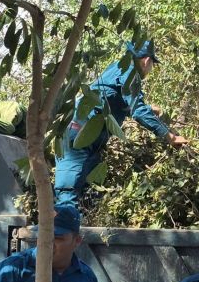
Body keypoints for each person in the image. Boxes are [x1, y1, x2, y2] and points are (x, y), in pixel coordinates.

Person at [53, 39, 187, 203]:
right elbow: (138, 111)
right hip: (78, 135)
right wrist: (170, 136)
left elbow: (116, 100)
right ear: (146, 61)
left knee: (86, 192)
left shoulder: (118, 68)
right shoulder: (130, 73)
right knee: (68, 191)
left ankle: (67, 216)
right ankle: (58, 218)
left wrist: (148, 108)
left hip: (86, 138)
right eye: (152, 64)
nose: (151, 69)